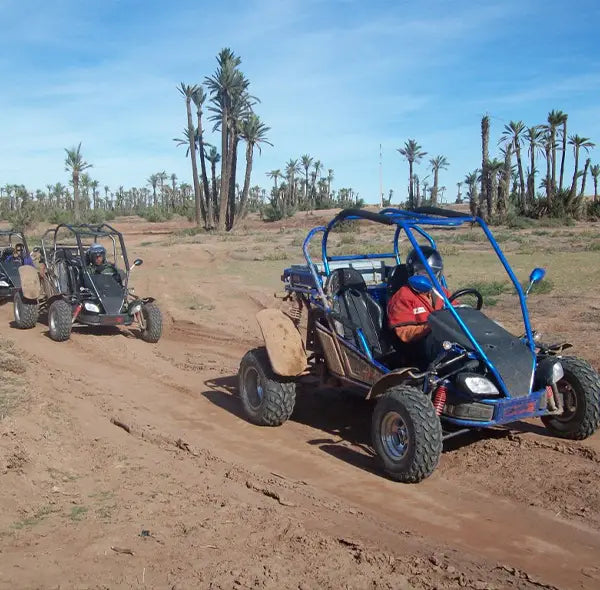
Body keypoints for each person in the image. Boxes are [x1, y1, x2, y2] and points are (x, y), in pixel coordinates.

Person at [387, 246, 451, 367]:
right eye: (423, 273)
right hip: (416, 349)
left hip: (443, 341)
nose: (428, 278)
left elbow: (457, 310)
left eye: (433, 273)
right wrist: (433, 326)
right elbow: (404, 334)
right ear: (412, 272)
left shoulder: (441, 293)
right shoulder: (403, 296)